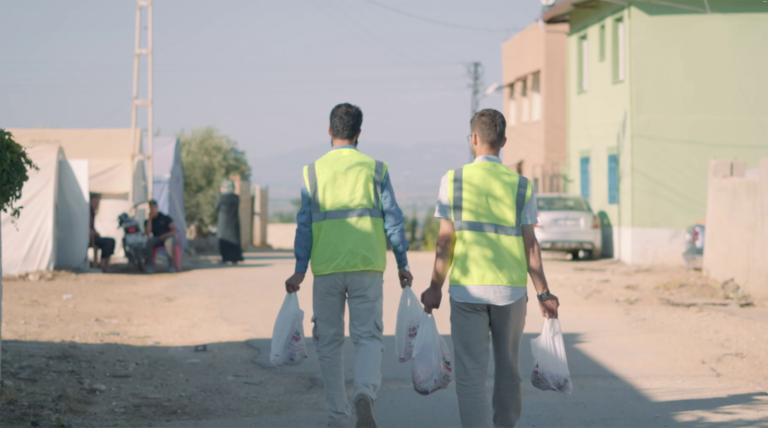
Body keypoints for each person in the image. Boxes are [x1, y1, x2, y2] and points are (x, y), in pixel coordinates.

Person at [421, 109, 560, 428]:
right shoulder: (521, 185)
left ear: (473, 139)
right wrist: (544, 293)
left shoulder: (452, 180)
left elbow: (445, 240)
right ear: (504, 142)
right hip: (510, 292)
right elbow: (530, 246)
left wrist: (435, 287)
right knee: (508, 369)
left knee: (470, 376)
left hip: (467, 292)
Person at [284, 103, 412, 428]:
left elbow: (304, 224)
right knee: (367, 337)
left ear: (330, 131)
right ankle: (364, 393)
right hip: (367, 265)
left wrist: (300, 268)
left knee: (328, 343)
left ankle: (337, 416)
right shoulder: (376, 169)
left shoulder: (312, 171)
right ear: (358, 133)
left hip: (326, 267)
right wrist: (402, 262)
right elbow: (393, 220)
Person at [144, 200, 178, 273]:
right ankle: (150, 266)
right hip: (157, 238)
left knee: (169, 242)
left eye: (153, 207)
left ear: (157, 207)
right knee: (149, 242)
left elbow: (174, 230)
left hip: (167, 237)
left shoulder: (165, 218)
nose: (152, 209)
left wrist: (164, 235)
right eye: (151, 208)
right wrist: (150, 219)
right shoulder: (149, 220)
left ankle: (171, 266)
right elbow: (147, 232)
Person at [215, 179, 244, 265]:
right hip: (234, 222)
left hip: (223, 222)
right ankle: (235, 259)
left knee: (224, 241)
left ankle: (224, 258)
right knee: (234, 240)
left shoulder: (222, 197)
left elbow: (216, 207)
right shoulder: (236, 197)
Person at [89, 193, 115, 271]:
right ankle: (103, 263)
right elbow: (86, 228)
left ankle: (106, 262)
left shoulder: (93, 213)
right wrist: (94, 233)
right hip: (89, 238)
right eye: (94, 202)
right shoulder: (88, 213)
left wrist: (96, 233)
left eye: (97, 203)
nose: (95, 205)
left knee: (111, 241)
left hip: (93, 236)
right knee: (108, 242)